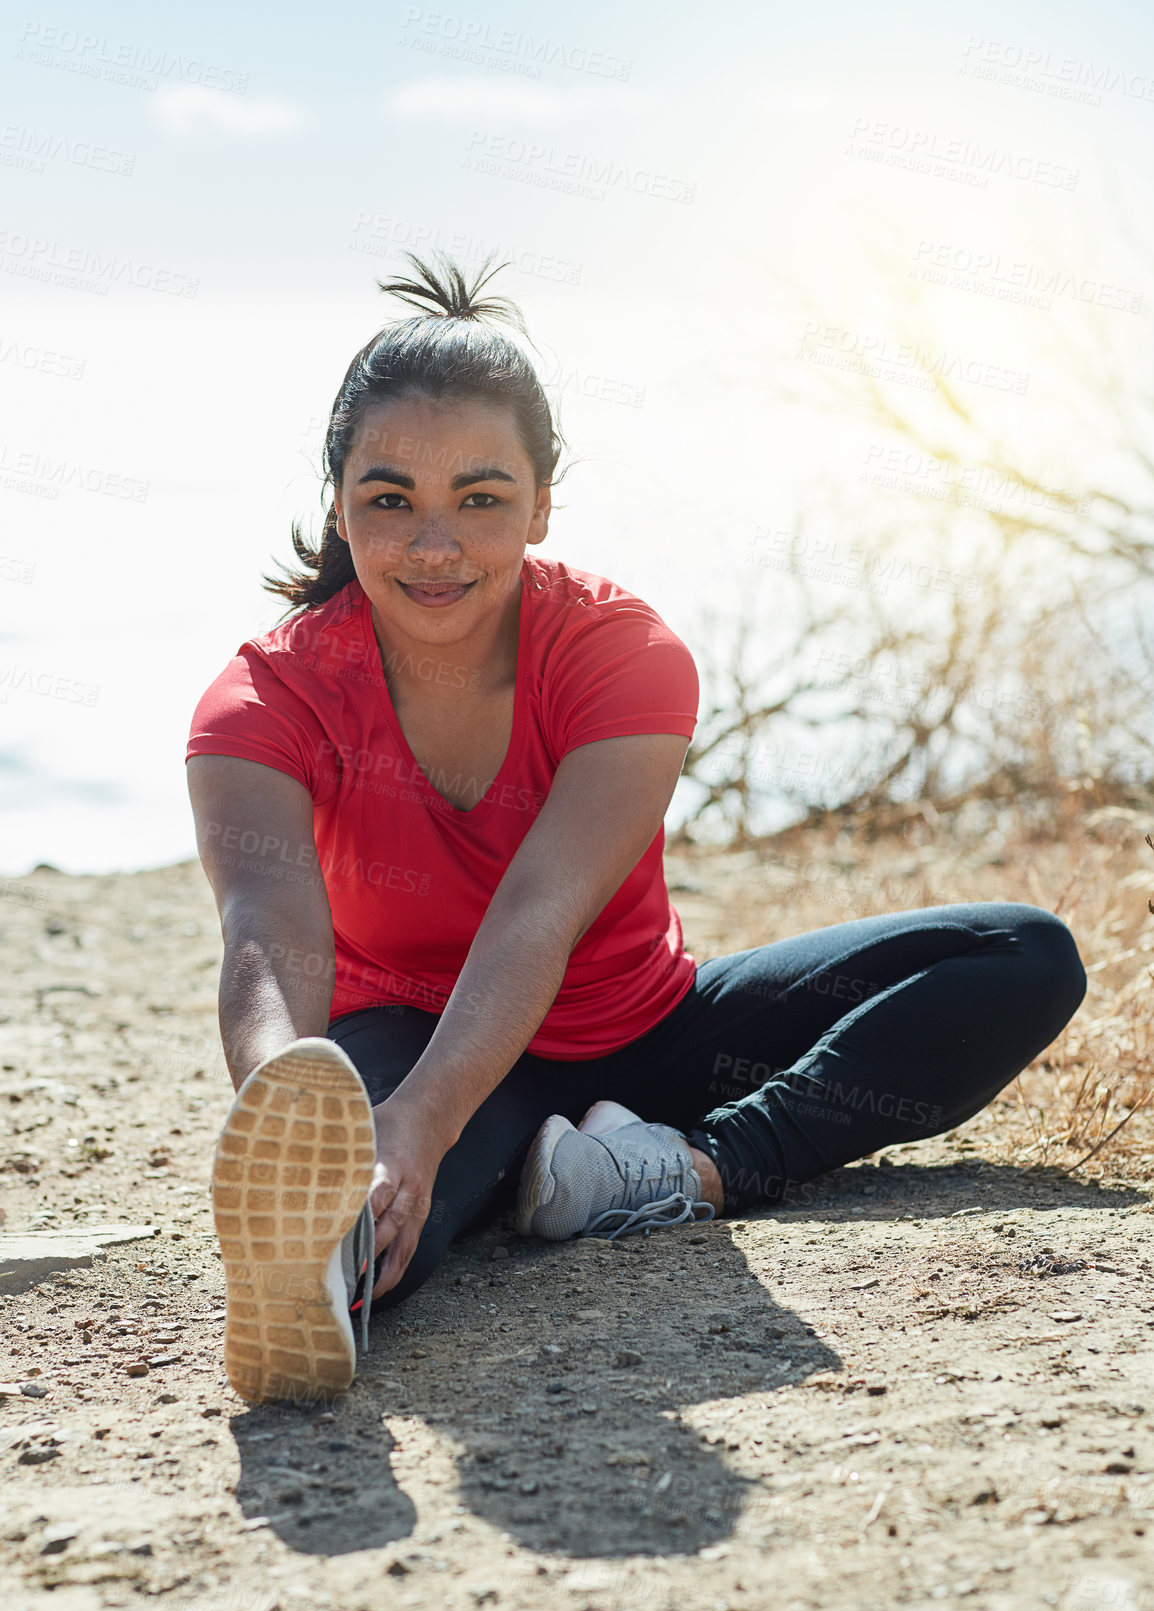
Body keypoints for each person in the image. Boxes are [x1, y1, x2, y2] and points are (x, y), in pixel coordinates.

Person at [186, 255, 1087, 1405]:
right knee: (365, 1222)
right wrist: (289, 1109)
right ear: (337, 501)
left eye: (479, 497)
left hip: (648, 1038)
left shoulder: (623, 654)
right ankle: (309, 1266)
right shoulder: (261, 698)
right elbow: (267, 931)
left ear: (542, 504)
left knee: (1021, 953)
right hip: (415, 1038)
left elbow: (537, 913)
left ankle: (680, 1169)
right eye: (388, 498)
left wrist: (417, 1120)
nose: (433, 546)